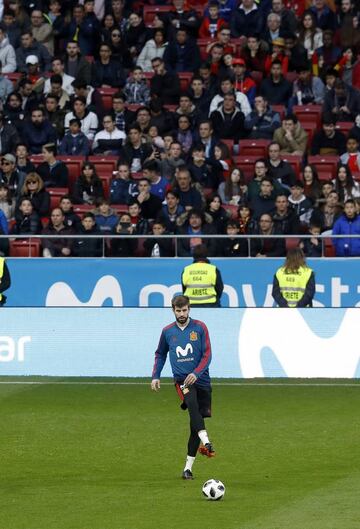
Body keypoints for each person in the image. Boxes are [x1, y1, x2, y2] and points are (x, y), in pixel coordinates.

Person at [151, 294, 215, 481]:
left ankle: (187, 469)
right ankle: (207, 442)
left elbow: (207, 355)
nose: (181, 314)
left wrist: (196, 373)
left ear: (189, 309)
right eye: (178, 311)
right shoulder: (167, 332)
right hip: (182, 381)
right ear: (173, 310)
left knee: (195, 424)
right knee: (192, 407)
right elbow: (160, 354)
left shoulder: (200, 327)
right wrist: (156, 376)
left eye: (184, 310)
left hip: (201, 381)